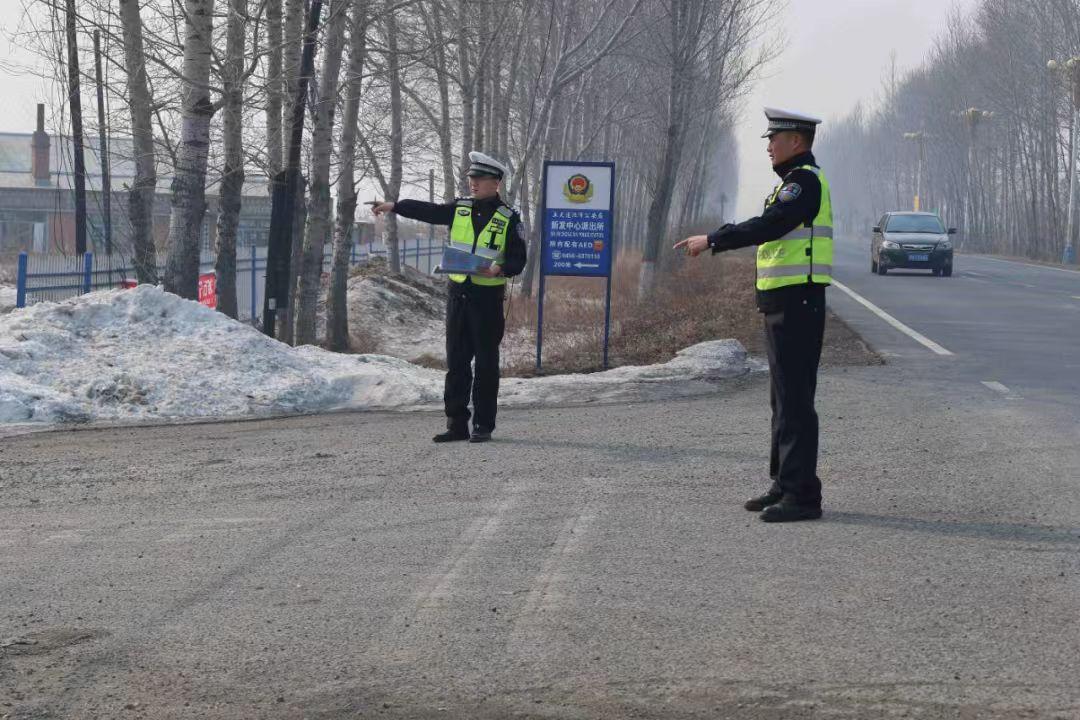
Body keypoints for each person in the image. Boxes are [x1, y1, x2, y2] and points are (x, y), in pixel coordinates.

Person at [674, 108, 833, 523]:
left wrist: (713, 239)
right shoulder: (790, 183)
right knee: (782, 400)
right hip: (784, 303)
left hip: (799, 303)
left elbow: (769, 226)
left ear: (796, 141)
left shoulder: (803, 184)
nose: (768, 147)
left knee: (795, 401)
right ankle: (784, 483)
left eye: (773, 139)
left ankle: (802, 495)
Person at [371, 151, 527, 444]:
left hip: (487, 299)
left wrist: (501, 268)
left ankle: (483, 425)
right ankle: (457, 424)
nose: (473, 183)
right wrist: (395, 206)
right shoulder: (461, 209)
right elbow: (429, 211)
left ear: (496, 182)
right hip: (458, 297)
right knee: (456, 363)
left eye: (479, 178)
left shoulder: (509, 217)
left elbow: (519, 259)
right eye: (471, 178)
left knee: (486, 364)